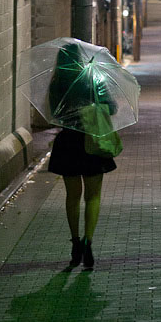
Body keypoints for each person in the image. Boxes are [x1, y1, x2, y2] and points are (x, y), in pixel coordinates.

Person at [47, 42, 117, 269]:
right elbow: (112, 107)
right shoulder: (93, 80)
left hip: (67, 142)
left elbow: (55, 113)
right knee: (93, 196)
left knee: (72, 196)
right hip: (91, 142)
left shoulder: (57, 83)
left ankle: (75, 241)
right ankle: (88, 241)